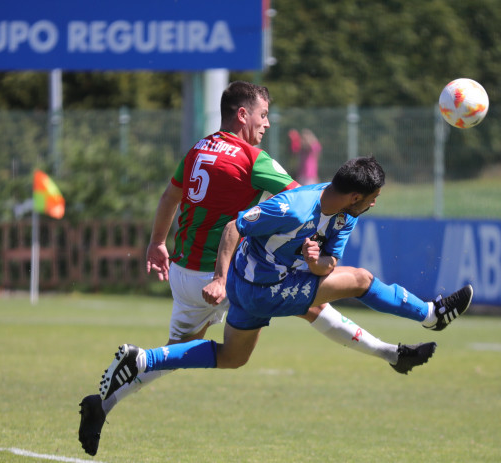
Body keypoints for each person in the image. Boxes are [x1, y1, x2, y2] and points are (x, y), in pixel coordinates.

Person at [78, 83, 430, 456]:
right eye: (263, 115)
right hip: (225, 273)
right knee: (300, 306)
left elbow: (171, 196)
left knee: (294, 308)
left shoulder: (198, 148)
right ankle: (390, 353)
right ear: (242, 115)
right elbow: (304, 201)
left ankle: (104, 404)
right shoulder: (252, 159)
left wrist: (156, 242)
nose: (266, 124)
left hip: (184, 270)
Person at [96, 157, 474, 416]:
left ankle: (141, 359)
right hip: (256, 287)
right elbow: (234, 227)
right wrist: (219, 278)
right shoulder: (293, 206)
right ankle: (430, 314)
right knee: (361, 282)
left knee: (232, 357)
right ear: (357, 196)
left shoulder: (345, 216)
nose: (374, 205)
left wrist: (317, 263)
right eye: (373, 199)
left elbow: (330, 264)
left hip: (268, 288)